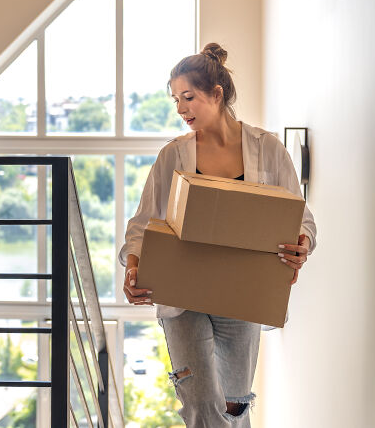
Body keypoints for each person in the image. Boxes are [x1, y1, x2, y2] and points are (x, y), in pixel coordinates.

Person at [119, 43, 317, 427]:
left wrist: (302, 246)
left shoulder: (268, 150)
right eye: (176, 99)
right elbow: (142, 223)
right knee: (199, 406)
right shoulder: (173, 155)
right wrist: (132, 267)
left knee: (234, 404)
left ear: (217, 94)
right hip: (182, 298)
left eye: (188, 97)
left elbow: (300, 217)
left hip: (242, 297)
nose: (180, 109)